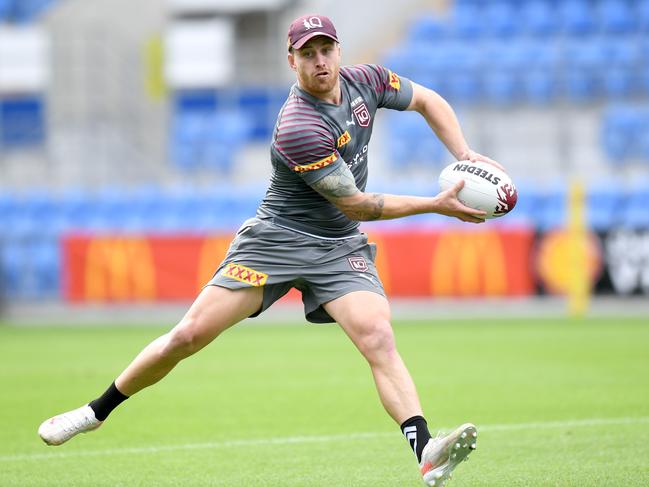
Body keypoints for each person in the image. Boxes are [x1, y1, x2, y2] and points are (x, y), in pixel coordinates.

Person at [39, 14, 497, 487]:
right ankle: (95, 412)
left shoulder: (369, 80)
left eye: (326, 50)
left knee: (378, 336)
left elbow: (427, 99)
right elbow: (359, 204)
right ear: (291, 60)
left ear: (339, 50)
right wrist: (436, 205)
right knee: (188, 336)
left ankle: (426, 453)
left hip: (338, 245)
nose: (320, 61)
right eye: (308, 53)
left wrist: (464, 154)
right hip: (278, 241)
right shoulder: (298, 125)